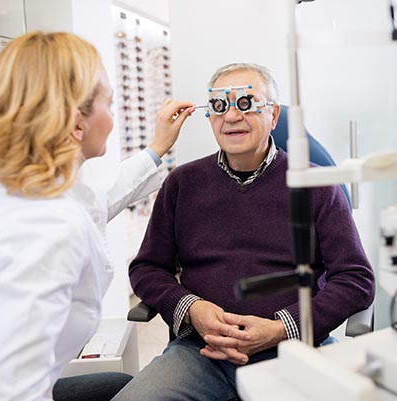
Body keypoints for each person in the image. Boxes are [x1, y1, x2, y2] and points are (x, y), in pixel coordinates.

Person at [0, 31, 194, 401]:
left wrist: (156, 150)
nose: (114, 115)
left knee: (116, 385)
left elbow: (94, 204)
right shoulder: (48, 228)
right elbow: (8, 390)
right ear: (78, 123)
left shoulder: (8, 188)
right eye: (109, 103)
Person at [114, 63, 375, 401]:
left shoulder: (316, 185)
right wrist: (191, 308)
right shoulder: (182, 183)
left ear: (274, 116)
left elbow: (356, 279)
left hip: (292, 350)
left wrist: (281, 328)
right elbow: (147, 268)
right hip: (202, 353)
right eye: (220, 106)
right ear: (209, 116)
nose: (232, 116)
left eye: (247, 103)